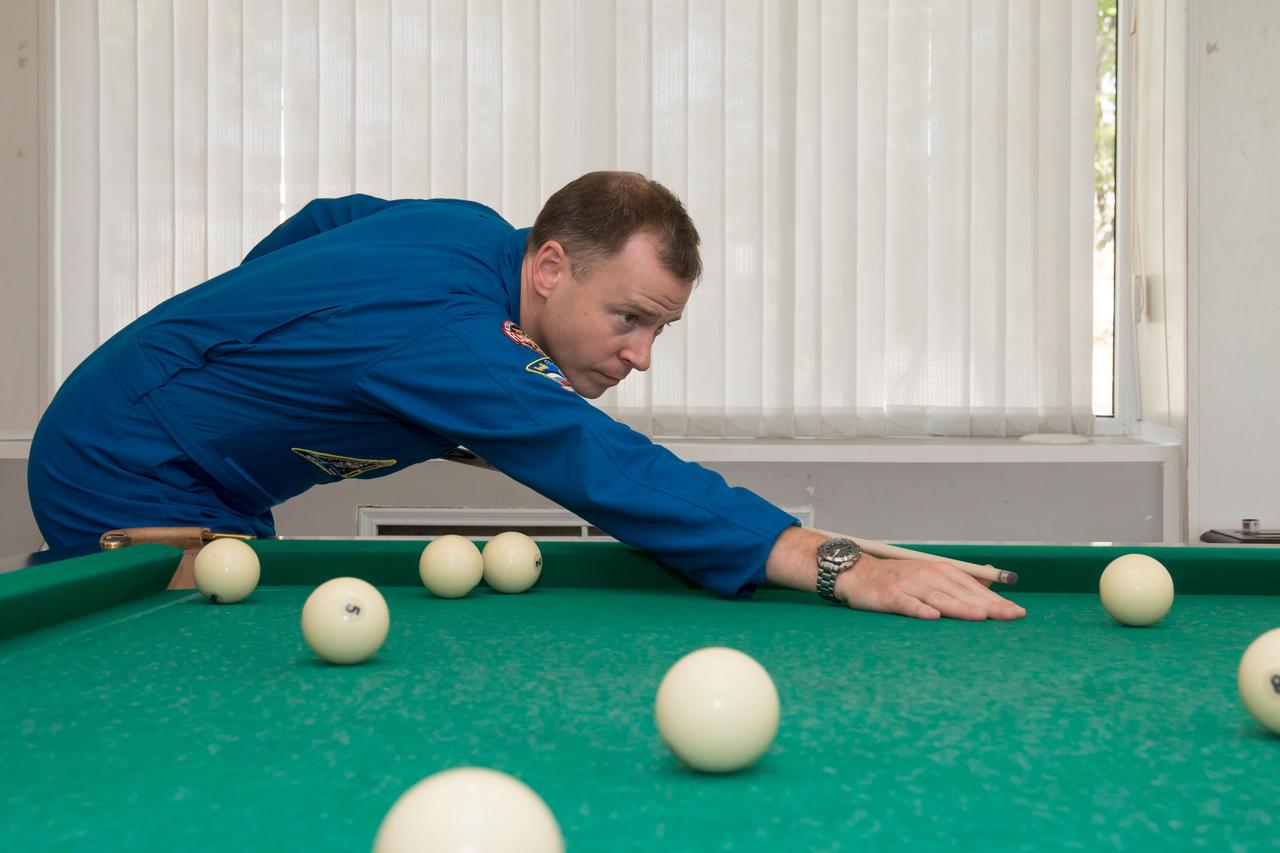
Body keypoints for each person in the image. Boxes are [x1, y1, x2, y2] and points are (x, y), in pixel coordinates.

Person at [28, 171, 1024, 621]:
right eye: (628, 319)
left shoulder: (471, 235)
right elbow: (594, 460)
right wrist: (828, 557)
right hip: (124, 459)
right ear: (549, 267)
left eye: (658, 330)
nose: (638, 358)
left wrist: (259, 347)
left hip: (202, 464)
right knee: (204, 671)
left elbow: (331, 218)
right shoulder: (455, 341)